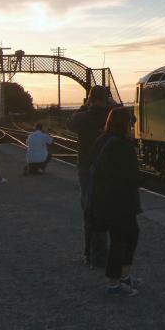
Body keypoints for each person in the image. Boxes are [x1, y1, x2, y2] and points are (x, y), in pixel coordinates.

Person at [86, 107, 142, 295]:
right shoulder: (120, 145)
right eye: (130, 123)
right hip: (119, 202)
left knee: (130, 235)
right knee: (122, 240)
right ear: (124, 124)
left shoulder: (102, 140)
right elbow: (132, 175)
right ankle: (113, 283)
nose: (132, 126)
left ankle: (124, 276)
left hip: (105, 199)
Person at [69, 85, 116, 267]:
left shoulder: (82, 117)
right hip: (109, 170)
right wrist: (114, 105)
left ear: (90, 98)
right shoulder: (112, 116)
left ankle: (90, 254)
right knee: (110, 212)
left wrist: (84, 106)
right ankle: (106, 252)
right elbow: (131, 118)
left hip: (87, 168)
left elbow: (70, 123)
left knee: (89, 212)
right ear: (106, 98)